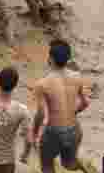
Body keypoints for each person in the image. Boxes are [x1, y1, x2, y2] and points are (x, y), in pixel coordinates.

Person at [28, 39, 89, 173]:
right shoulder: (77, 77)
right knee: (68, 164)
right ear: (68, 59)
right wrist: (72, 112)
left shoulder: (42, 84)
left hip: (54, 133)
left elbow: (41, 114)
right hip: (74, 131)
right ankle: (84, 168)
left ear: (50, 59)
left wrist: (34, 133)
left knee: (47, 166)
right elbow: (85, 103)